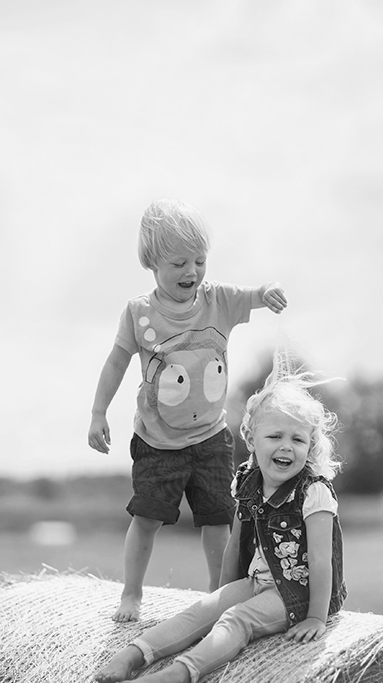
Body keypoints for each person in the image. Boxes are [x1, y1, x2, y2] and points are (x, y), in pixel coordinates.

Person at [94, 355, 347, 683]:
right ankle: (135, 653)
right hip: (257, 582)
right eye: (275, 436)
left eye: (298, 440)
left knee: (236, 620)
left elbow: (320, 560)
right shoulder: (247, 483)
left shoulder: (313, 493)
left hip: (296, 594)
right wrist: (222, 596)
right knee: (203, 610)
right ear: (252, 440)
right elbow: (235, 544)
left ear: (310, 446)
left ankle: (181, 675)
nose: (286, 446)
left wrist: (316, 617)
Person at [88, 199, 287, 621]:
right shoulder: (139, 313)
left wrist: (268, 291)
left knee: (218, 521)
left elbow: (255, 294)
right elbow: (116, 362)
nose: (191, 272)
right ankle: (132, 593)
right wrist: (98, 413)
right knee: (147, 519)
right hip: (157, 443)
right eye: (179, 263)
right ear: (152, 263)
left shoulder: (219, 301)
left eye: (199, 261)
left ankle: (217, 596)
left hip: (211, 439)